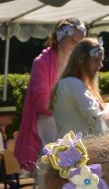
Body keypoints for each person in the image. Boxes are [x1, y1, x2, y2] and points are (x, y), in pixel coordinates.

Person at [14, 17, 86, 171]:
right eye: (72, 40)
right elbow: (42, 103)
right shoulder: (41, 62)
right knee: (48, 174)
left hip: (70, 127)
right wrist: (73, 109)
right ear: (59, 39)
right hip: (47, 131)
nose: (77, 46)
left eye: (80, 42)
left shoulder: (79, 63)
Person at [51, 37, 109, 136]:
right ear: (82, 60)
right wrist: (108, 107)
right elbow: (98, 120)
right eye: (96, 60)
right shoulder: (72, 83)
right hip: (79, 149)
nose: (100, 65)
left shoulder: (72, 84)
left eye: (101, 60)